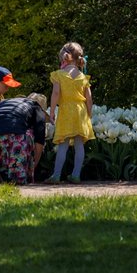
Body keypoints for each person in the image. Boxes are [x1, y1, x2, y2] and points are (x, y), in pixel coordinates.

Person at [44, 43, 94, 184]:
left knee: (63, 145)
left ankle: (56, 175)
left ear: (64, 58)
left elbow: (56, 93)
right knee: (79, 145)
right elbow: (89, 99)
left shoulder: (59, 75)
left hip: (66, 111)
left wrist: (52, 110)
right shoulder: (83, 77)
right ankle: (76, 175)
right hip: (81, 112)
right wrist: (89, 114)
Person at [0, 92, 49, 184]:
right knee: (29, 133)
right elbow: (39, 140)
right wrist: (33, 165)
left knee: (17, 132)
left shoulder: (3, 102)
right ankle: (18, 178)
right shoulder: (36, 107)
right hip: (14, 136)